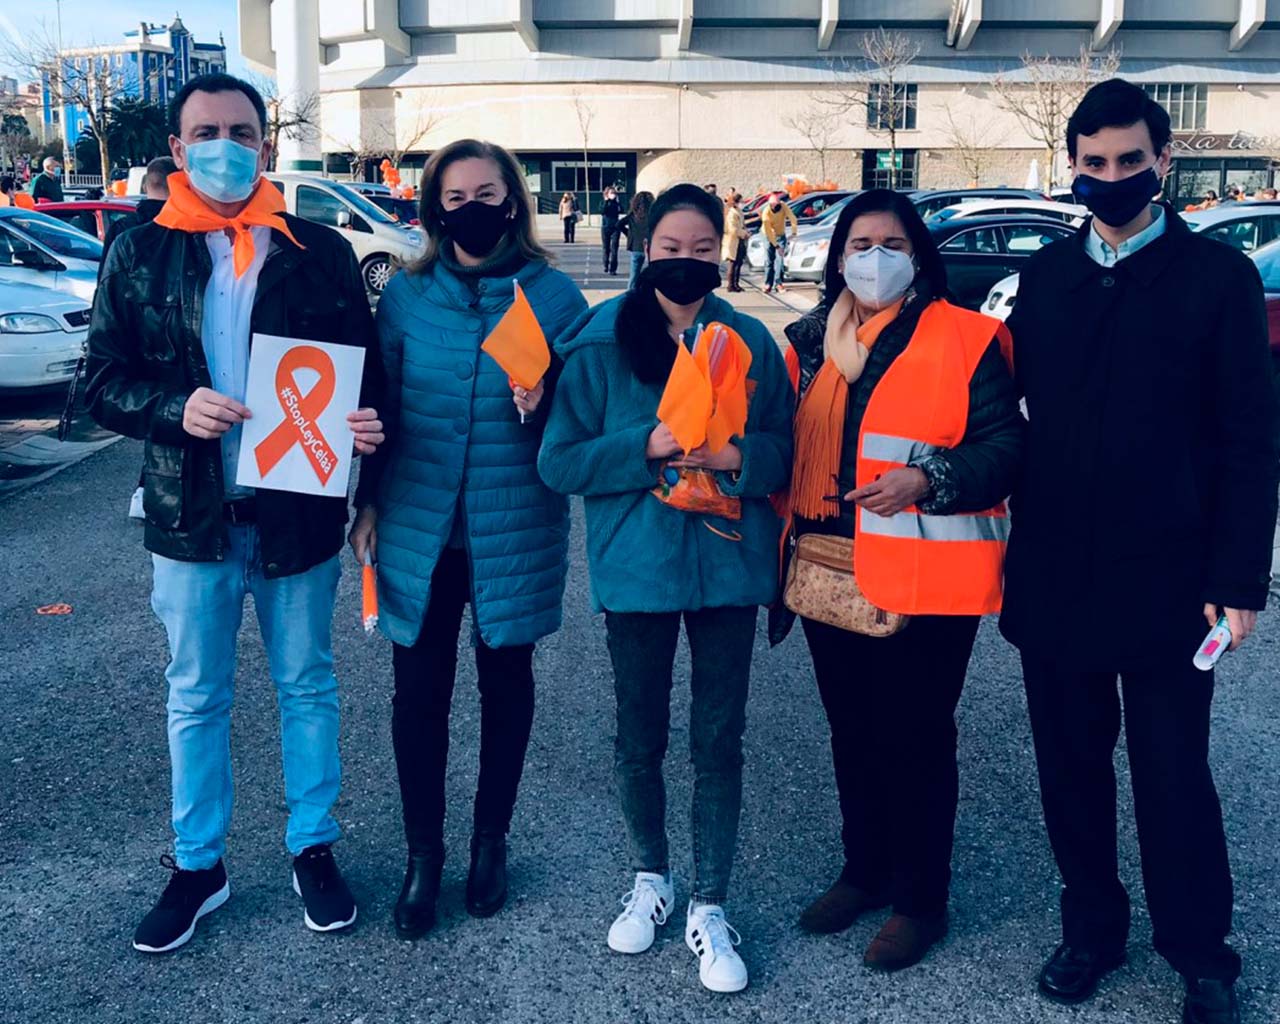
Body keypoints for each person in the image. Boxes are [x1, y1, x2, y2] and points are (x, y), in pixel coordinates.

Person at [84, 72, 386, 954]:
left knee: (308, 687)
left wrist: (369, 425)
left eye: (243, 131)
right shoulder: (140, 251)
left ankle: (312, 849)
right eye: (207, 131)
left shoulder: (316, 249)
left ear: (268, 146)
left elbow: (366, 374)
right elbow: (99, 383)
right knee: (195, 695)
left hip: (296, 513)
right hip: (190, 514)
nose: (227, 146)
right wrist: (176, 407)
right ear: (177, 150)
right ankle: (198, 865)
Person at [1003, 79, 1279, 1024]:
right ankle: (1091, 929)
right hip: (1055, 577)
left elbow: (1250, 441)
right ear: (1072, 165)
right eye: (1095, 164)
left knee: (1173, 778)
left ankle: (1202, 953)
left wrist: (1241, 577)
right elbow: (999, 416)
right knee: (1069, 773)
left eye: (1130, 161)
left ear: (1164, 161)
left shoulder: (1218, 281)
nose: (1112, 178)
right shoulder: (1045, 279)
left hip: (1173, 585)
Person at [539, 183, 794, 995]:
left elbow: (785, 452)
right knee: (637, 736)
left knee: (719, 739)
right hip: (637, 569)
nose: (685, 264)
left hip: (728, 569)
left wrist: (737, 461)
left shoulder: (750, 339)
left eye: (700, 250)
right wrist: (644, 445)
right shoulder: (599, 342)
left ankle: (711, 902)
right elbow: (559, 461)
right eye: (669, 249)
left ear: (722, 249)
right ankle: (651, 877)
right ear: (644, 246)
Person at [776, 189, 1023, 971]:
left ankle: (921, 900)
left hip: (926, 576)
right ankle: (866, 869)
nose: (872, 258)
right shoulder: (808, 341)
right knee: (851, 729)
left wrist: (931, 478)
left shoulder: (969, 337)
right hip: (828, 566)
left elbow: (1006, 448)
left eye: (889, 242)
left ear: (917, 254)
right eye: (858, 242)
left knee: (916, 736)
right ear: (837, 254)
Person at [347, 139, 586, 939]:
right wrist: (366, 503)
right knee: (417, 695)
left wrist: (542, 402)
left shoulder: (554, 298)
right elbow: (377, 403)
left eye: (488, 192)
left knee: (504, 683)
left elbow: (581, 423)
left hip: (512, 519)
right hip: (419, 519)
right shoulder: (408, 297)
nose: (473, 207)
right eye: (455, 196)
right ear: (432, 205)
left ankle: (491, 842)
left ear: (514, 200)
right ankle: (425, 857)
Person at [106, 156, 179, 521]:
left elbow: (107, 293)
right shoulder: (181, 226)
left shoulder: (122, 229)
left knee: (150, 409)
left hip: (131, 340)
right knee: (171, 410)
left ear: (146, 184)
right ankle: (146, 487)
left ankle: (145, 489)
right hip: (170, 339)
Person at [761, 192, 798, 294]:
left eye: (778, 204)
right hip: (768, 236)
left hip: (780, 235)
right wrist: (777, 246)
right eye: (775, 205)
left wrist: (794, 232)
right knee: (769, 260)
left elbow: (792, 218)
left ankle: (778, 283)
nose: (778, 207)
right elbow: (768, 231)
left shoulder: (783, 206)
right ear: (771, 205)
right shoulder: (766, 213)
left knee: (779, 260)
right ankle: (768, 283)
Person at [620, 190, 653, 290]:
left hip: (636, 247)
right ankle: (651, 292)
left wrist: (629, 234)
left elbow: (618, 224)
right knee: (652, 272)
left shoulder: (632, 215)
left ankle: (630, 294)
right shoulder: (652, 215)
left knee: (634, 274)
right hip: (650, 247)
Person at [721, 192, 748, 292]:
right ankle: (730, 285)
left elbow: (742, 224)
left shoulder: (739, 211)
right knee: (733, 263)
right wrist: (743, 233)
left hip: (739, 240)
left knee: (739, 262)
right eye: (741, 201)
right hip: (733, 240)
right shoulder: (731, 213)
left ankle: (736, 284)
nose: (742, 203)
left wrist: (746, 231)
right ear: (736, 202)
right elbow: (733, 229)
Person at [601, 185, 623, 276]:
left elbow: (621, 210)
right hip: (606, 227)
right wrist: (606, 201)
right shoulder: (604, 202)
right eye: (611, 193)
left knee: (614, 249)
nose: (613, 195)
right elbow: (602, 211)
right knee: (606, 248)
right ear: (607, 194)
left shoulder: (616, 203)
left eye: (614, 193)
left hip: (615, 228)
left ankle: (613, 269)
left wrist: (618, 202)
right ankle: (606, 264)